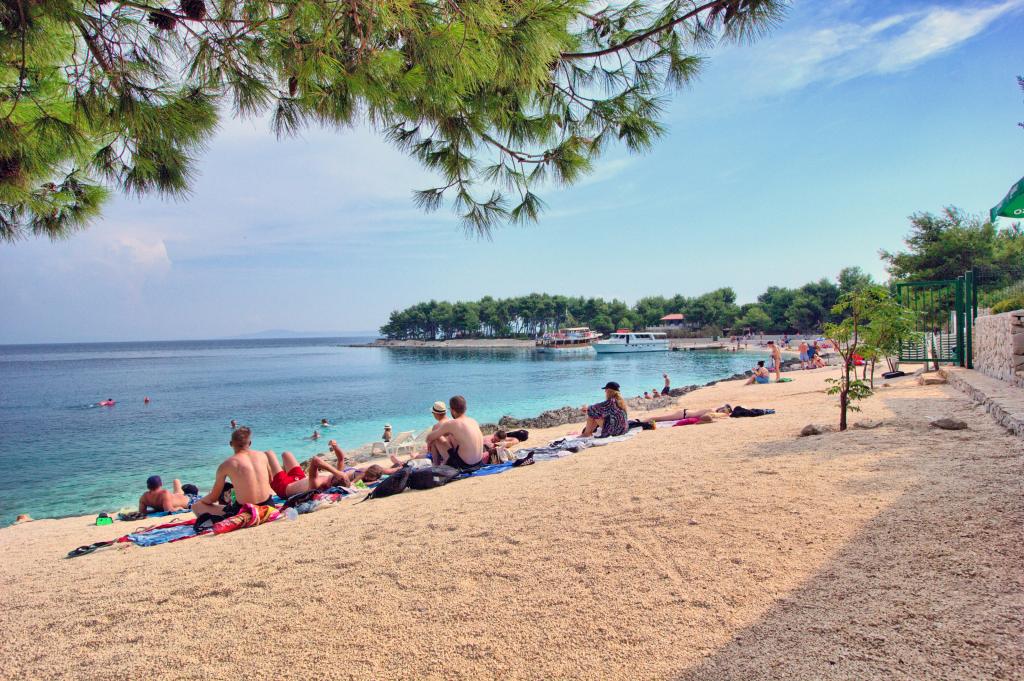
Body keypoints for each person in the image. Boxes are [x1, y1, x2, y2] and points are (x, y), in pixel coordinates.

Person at [192, 427, 277, 518]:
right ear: (250, 443)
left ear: (231, 444)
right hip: (269, 506)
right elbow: (271, 480)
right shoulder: (262, 455)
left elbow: (213, 497)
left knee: (196, 507)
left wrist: (201, 501)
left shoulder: (226, 465)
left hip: (246, 511)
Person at [425, 395, 485, 470]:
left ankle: (435, 467)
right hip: (478, 463)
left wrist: (430, 441)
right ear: (465, 408)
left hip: (464, 465)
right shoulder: (473, 421)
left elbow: (429, 437)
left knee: (436, 438)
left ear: (452, 410)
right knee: (451, 437)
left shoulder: (452, 424)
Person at [265, 450, 350, 497]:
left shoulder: (317, 484)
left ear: (334, 480)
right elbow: (341, 459)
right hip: (299, 478)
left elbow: (315, 460)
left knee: (269, 453)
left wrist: (336, 472)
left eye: (340, 474)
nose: (340, 472)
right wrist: (335, 446)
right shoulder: (333, 478)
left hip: (284, 487)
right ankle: (280, 471)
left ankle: (273, 473)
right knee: (286, 454)